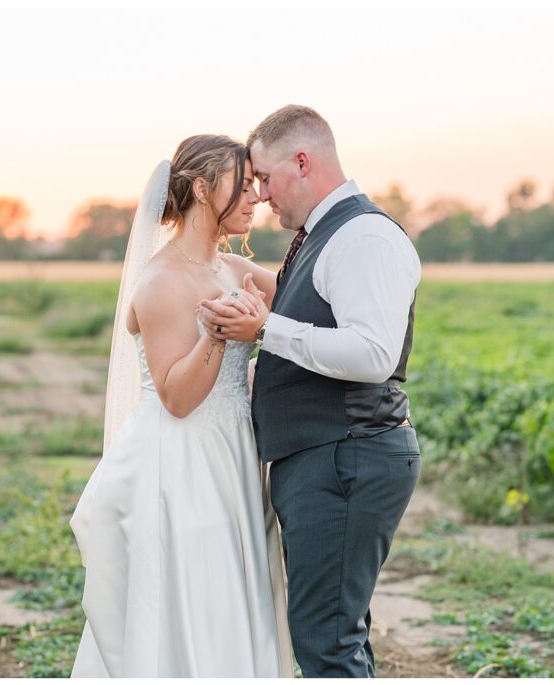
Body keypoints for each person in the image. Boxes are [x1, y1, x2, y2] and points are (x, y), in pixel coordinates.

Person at [198, 105, 422, 677]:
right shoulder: (322, 236)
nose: (263, 197)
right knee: (333, 632)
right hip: (325, 458)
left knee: (326, 642)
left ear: (303, 162)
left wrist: (265, 330)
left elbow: (373, 355)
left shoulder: (363, 237)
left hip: (346, 457)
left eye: (266, 179)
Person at [68, 134, 292, 677]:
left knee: (239, 594)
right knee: (194, 600)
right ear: (200, 188)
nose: (254, 198)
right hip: (182, 463)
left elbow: (303, 294)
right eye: (240, 186)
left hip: (234, 454)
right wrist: (217, 334)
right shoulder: (163, 280)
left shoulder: (233, 271)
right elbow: (177, 398)